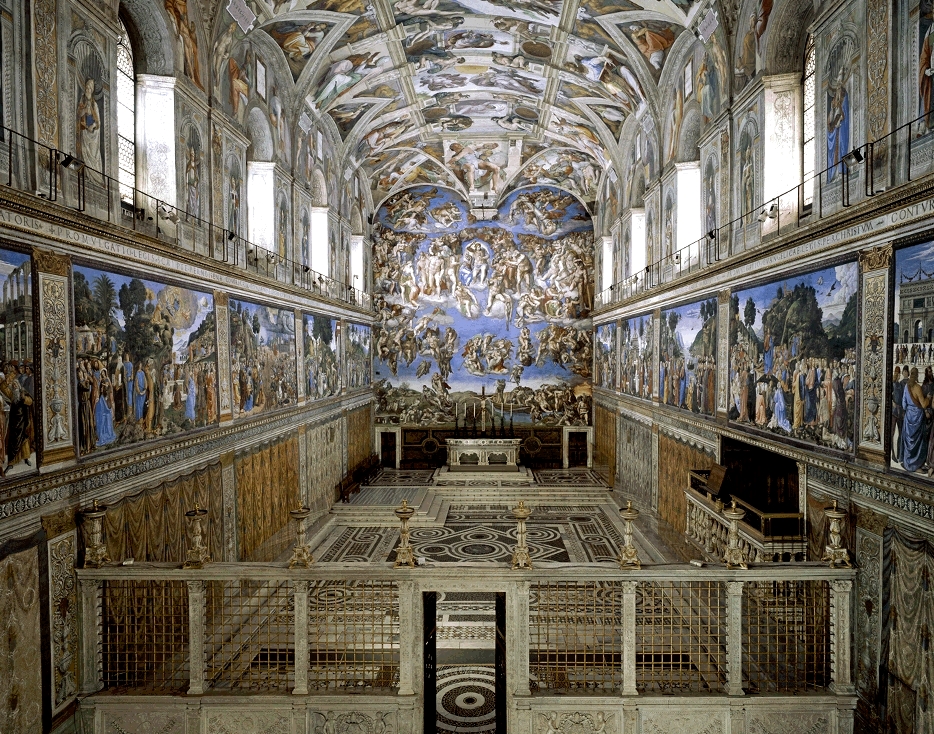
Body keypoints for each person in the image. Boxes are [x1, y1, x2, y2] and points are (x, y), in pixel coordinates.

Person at [901, 367, 930, 473]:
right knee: (918, 442)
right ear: (917, 375)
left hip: (909, 417)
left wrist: (909, 408)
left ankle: (907, 462)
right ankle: (915, 466)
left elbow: (904, 405)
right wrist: (929, 398)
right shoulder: (917, 387)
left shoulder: (906, 387)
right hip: (917, 417)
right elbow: (923, 404)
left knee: (909, 441)